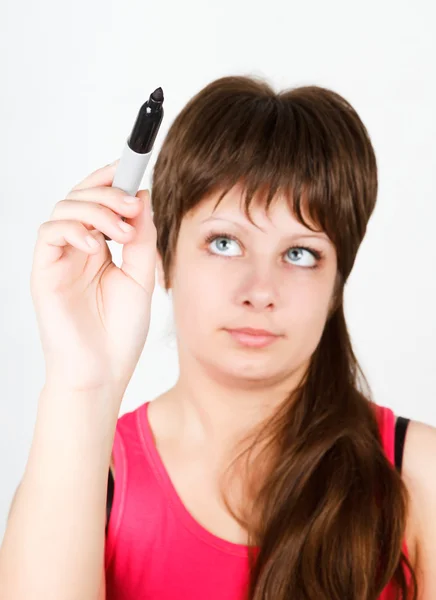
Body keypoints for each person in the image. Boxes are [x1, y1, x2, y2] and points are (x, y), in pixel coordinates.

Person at [0, 75, 435, 600]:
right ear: (164, 256)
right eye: (225, 242)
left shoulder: (420, 477)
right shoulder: (87, 470)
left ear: (336, 283)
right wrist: (82, 383)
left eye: (300, 253)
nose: (260, 290)